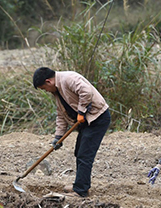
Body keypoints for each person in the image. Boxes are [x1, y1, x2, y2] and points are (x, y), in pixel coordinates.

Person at [32, 67, 111, 197]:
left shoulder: (69, 78)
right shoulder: (57, 92)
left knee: (85, 154)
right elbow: (61, 115)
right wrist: (58, 137)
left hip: (97, 118)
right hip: (86, 122)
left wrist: (81, 111)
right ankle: (79, 185)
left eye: (44, 88)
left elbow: (86, 91)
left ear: (48, 81)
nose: (46, 91)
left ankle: (81, 190)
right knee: (79, 152)